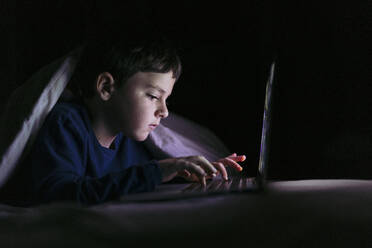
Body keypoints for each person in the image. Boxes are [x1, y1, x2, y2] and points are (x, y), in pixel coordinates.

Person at [6, 29, 246, 206]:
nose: (164, 111)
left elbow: (136, 179)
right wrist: (160, 170)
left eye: (166, 99)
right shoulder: (66, 124)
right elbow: (57, 196)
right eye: (153, 96)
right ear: (106, 87)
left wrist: (195, 171)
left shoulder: (130, 144)